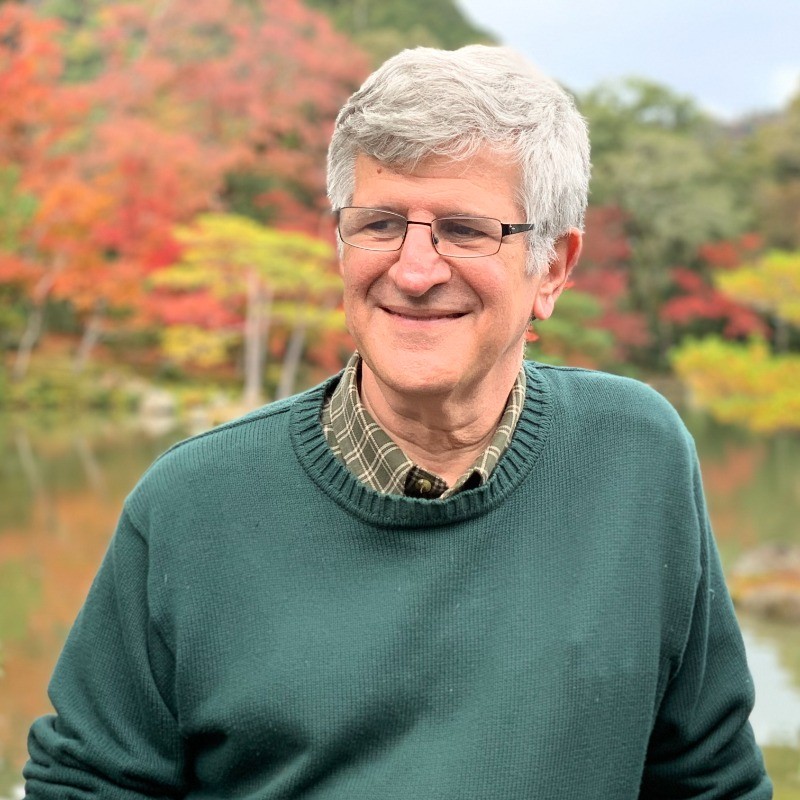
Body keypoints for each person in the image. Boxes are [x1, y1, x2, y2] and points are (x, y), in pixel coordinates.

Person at [23, 45, 771, 799]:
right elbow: (86, 784)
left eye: (467, 229)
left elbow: (710, 779)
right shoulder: (191, 505)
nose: (415, 271)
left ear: (553, 267)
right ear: (340, 243)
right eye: (381, 223)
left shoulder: (635, 458)